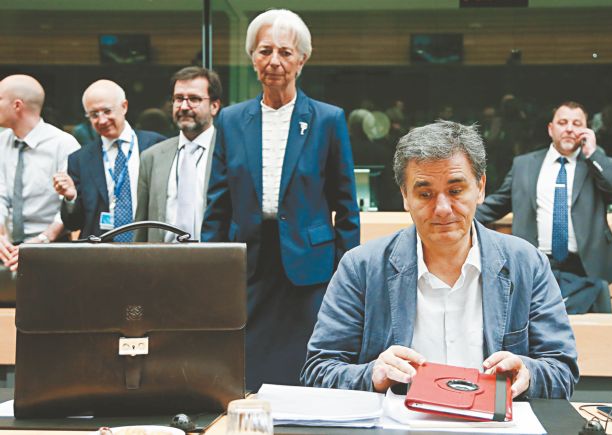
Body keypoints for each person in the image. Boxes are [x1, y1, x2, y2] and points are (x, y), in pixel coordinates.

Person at [301, 121, 578, 399]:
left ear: (480, 188)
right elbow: (318, 370)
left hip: (495, 420)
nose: (443, 209)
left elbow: (562, 370)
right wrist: (372, 375)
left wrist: (528, 373)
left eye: (456, 191)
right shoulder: (361, 267)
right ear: (405, 196)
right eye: (425, 194)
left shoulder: (526, 263)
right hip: (398, 420)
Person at [201, 9, 360, 391]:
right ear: (252, 58)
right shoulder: (231, 121)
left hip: (309, 265)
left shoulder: (327, 119)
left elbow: (346, 206)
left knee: (306, 363)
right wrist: (212, 266)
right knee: (249, 364)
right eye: (265, 51)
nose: (274, 61)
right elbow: (217, 203)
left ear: (302, 60)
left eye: (285, 53)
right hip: (250, 260)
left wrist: (346, 272)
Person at [475, 101, 612, 313]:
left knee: (593, 325)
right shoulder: (525, 165)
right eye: (563, 122)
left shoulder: (595, 162)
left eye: (577, 124)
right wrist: (458, 214)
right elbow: (497, 204)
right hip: (536, 264)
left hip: (584, 268)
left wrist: (593, 153)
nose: (569, 128)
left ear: (586, 130)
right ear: (551, 129)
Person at [54, 80, 165, 240]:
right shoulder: (80, 159)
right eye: (94, 115)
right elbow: (74, 224)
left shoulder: (157, 146)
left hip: (149, 243)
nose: (102, 120)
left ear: (124, 107)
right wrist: (71, 198)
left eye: (107, 111)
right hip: (100, 248)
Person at [0, 74, 80, 271]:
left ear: (17, 105)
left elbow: (73, 203)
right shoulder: (2, 141)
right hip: (7, 250)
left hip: (52, 249)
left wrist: (43, 239)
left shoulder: (64, 144)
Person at [135, 67, 222, 242]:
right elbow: (142, 226)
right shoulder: (152, 157)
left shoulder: (228, 152)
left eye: (194, 99)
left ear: (214, 106)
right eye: (179, 99)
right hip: (162, 256)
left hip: (214, 256)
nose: (184, 106)